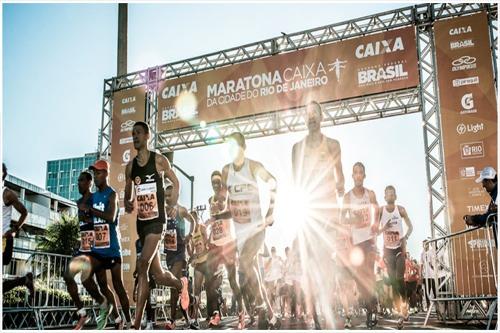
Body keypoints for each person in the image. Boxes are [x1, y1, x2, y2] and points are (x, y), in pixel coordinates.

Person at [124, 121, 189, 329]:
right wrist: (127, 201)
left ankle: (136, 324)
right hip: (142, 224)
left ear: (147, 136)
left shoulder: (159, 161)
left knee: (142, 265)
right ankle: (180, 284)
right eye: (133, 134)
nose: (135, 137)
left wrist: (172, 204)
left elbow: (176, 182)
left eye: (139, 133)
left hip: (156, 222)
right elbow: (128, 192)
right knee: (158, 276)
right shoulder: (131, 167)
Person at [291, 100, 345, 329]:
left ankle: (328, 309)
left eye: (315, 113)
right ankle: (314, 316)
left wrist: (340, 185)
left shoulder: (333, 145)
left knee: (325, 265)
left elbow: (340, 175)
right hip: (309, 215)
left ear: (322, 117)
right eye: (308, 114)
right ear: (305, 119)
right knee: (310, 266)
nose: (311, 117)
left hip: (329, 215)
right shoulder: (297, 148)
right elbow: (296, 184)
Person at [221, 131, 278, 328]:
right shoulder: (226, 171)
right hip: (241, 233)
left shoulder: (252, 166)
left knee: (245, 264)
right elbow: (229, 204)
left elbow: (273, 182)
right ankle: (271, 315)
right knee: (250, 271)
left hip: (257, 228)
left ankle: (261, 305)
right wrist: (219, 215)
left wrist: (270, 211)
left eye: (236, 146)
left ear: (243, 147)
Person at [80, 160, 132, 329]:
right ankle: (109, 309)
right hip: (97, 249)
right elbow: (88, 220)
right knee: (88, 279)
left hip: (111, 248)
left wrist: (92, 211)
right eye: (94, 173)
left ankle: (129, 322)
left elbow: (110, 216)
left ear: (106, 174)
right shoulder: (92, 196)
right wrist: (85, 215)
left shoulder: (112, 194)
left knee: (118, 286)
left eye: (99, 173)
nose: (96, 177)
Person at [64, 171, 112, 330]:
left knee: (96, 282)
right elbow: (83, 227)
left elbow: (101, 220)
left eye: (81, 181)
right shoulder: (78, 202)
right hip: (83, 248)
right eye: (77, 181)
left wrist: (89, 214)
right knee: (67, 275)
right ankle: (83, 312)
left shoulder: (94, 199)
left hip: (97, 248)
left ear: (89, 182)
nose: (78, 183)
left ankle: (107, 307)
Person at [340, 162, 380, 328]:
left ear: (364, 176)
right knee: (360, 278)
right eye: (355, 172)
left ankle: (371, 309)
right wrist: (352, 220)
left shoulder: (369, 194)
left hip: (369, 241)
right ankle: (370, 303)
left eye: (361, 172)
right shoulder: (347, 197)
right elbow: (342, 219)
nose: (358, 175)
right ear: (352, 176)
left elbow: (376, 208)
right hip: (355, 243)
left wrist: (375, 223)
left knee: (369, 273)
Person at [206, 170, 244, 329]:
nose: (215, 184)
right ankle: (215, 313)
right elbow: (214, 223)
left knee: (232, 280)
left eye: (218, 181)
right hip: (215, 244)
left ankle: (241, 313)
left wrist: (217, 217)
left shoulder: (228, 195)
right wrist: (209, 238)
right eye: (213, 182)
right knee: (210, 280)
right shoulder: (210, 199)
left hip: (228, 244)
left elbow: (231, 214)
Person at [378, 185, 413, 327]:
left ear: (395, 196)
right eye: (388, 194)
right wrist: (383, 228)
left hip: (399, 247)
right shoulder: (381, 211)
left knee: (399, 278)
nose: (390, 196)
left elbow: (410, 226)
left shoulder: (401, 210)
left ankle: (404, 304)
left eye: (392, 194)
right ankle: (401, 311)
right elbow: (375, 230)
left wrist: (406, 237)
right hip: (387, 250)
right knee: (393, 282)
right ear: (385, 197)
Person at [163, 184, 195, 329]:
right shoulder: (163, 210)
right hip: (169, 252)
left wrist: (190, 235)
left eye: (170, 195)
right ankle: (187, 318)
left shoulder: (181, 210)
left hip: (180, 252)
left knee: (172, 285)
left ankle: (171, 320)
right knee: (176, 288)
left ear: (176, 195)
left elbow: (193, 221)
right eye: (166, 196)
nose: (168, 198)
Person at [2, 163, 34, 301]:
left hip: (3, 239)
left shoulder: (6, 193)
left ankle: (24, 280)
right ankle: (24, 280)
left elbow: (24, 212)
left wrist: (14, 230)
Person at [188, 210, 210, 330]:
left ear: (196, 219)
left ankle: (214, 314)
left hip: (207, 262)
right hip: (198, 264)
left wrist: (203, 249)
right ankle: (195, 319)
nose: (193, 222)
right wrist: (192, 255)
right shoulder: (191, 233)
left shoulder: (202, 228)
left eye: (194, 219)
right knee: (196, 291)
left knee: (210, 289)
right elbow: (191, 251)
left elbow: (207, 244)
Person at [464, 166, 497, 243]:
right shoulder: (495, 194)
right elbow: (489, 217)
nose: (483, 186)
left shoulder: (497, 194)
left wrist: (473, 219)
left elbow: (489, 217)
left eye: (483, 182)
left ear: (489, 181)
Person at [133, 238, 156, 330]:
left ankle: (150, 322)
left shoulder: (151, 239)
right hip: (141, 271)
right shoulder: (137, 242)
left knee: (148, 298)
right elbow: (137, 257)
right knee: (142, 298)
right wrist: (136, 269)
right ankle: (146, 319)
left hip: (150, 272)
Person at [263, 246, 283, 314]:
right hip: (270, 278)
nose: (273, 252)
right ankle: (272, 309)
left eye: (274, 251)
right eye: (272, 251)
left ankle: (278, 309)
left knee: (277, 293)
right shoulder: (269, 259)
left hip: (278, 277)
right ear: (271, 252)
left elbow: (283, 264)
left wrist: (282, 270)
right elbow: (265, 268)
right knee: (270, 294)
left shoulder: (278, 257)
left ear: (275, 251)